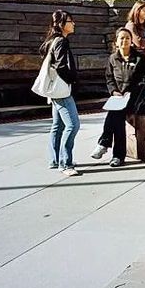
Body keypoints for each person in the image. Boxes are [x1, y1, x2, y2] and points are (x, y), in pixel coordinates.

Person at [92, 27, 145, 167]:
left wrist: (131, 92)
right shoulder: (113, 59)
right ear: (116, 42)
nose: (124, 40)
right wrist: (114, 92)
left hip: (135, 98)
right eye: (121, 38)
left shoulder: (139, 58)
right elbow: (109, 78)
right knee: (116, 116)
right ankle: (118, 156)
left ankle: (105, 143)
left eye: (127, 38)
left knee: (114, 114)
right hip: (118, 97)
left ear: (131, 41)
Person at [41, 10, 81, 177]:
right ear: (61, 24)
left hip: (55, 89)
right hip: (61, 91)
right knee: (73, 125)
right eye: (70, 21)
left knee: (58, 126)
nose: (73, 24)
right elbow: (60, 65)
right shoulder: (61, 42)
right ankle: (66, 163)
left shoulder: (52, 40)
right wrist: (71, 79)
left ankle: (55, 159)